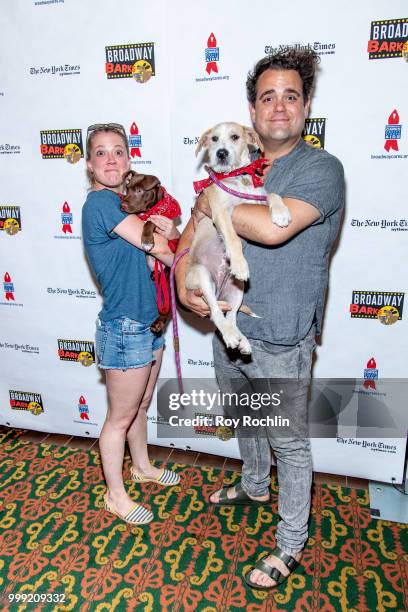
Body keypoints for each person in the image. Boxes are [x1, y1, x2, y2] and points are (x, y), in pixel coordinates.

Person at [175, 50, 344, 590]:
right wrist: (182, 275)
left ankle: (291, 543)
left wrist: (212, 203)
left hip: (283, 334)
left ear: (306, 106)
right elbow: (189, 239)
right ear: (252, 110)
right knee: (244, 416)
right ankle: (252, 484)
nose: (279, 106)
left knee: (288, 441)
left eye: (290, 96)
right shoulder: (238, 164)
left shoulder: (320, 168)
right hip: (229, 320)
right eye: (267, 96)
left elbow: (272, 229)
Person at [82, 123, 181, 526]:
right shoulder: (102, 204)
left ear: (129, 159)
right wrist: (196, 269)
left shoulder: (131, 203)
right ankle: (116, 495)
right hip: (124, 326)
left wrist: (173, 229)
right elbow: (158, 246)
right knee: (118, 418)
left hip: (148, 321)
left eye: (118, 151)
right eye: (101, 153)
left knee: (139, 405)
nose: (111, 159)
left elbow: (166, 232)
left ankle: (141, 466)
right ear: (89, 165)